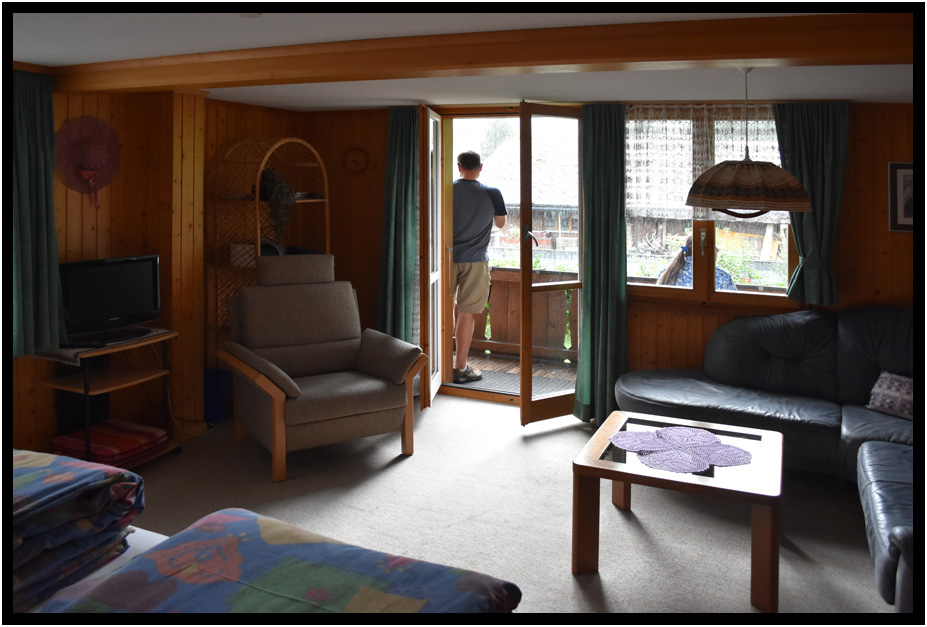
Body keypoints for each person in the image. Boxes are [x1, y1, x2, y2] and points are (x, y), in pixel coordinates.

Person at [452, 151, 507, 383]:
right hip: (475, 259)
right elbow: (500, 223)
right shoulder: (492, 193)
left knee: (443, 309)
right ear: (480, 167)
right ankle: (460, 368)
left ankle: (440, 364)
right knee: (467, 313)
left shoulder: (446, 190)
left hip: (445, 258)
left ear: (459, 167)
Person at [657, 234, 737, 291]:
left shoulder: (666, 272)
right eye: (714, 246)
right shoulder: (722, 276)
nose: (717, 250)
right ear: (705, 250)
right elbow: (735, 303)